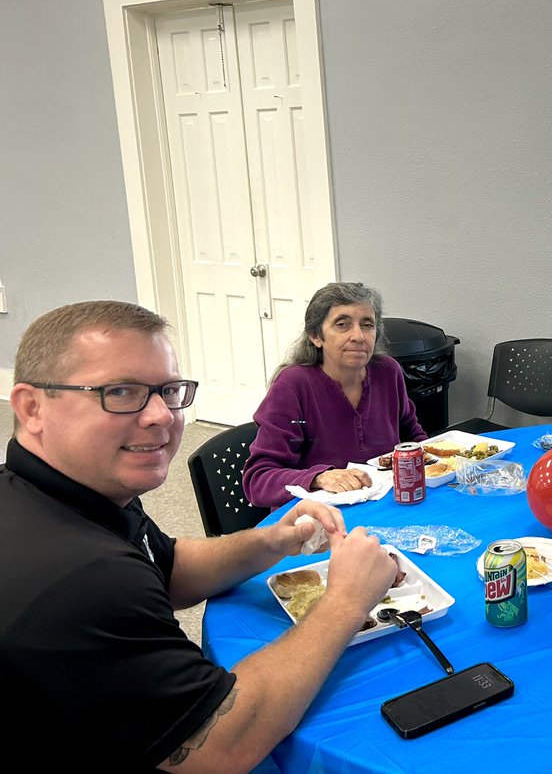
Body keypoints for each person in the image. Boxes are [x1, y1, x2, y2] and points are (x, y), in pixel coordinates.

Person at [1, 300, 401, 770]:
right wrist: (347, 600)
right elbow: (217, 749)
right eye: (121, 392)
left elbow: (166, 565)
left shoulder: (63, 491)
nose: (161, 416)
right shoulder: (82, 574)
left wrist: (273, 540)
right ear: (31, 408)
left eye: (168, 391)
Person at [243, 282, 427, 509]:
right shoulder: (293, 385)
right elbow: (258, 480)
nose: (358, 336)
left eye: (367, 324)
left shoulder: (388, 372)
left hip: (385, 506)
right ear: (315, 335)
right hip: (319, 522)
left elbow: (413, 438)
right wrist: (318, 478)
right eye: (343, 324)